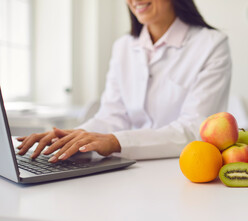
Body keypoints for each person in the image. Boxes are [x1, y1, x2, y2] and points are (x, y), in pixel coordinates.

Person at [17, 0, 232, 162]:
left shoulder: (211, 45)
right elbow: (112, 116)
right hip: (126, 168)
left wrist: (116, 142)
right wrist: (73, 139)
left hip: (180, 168)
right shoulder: (123, 47)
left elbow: (194, 129)